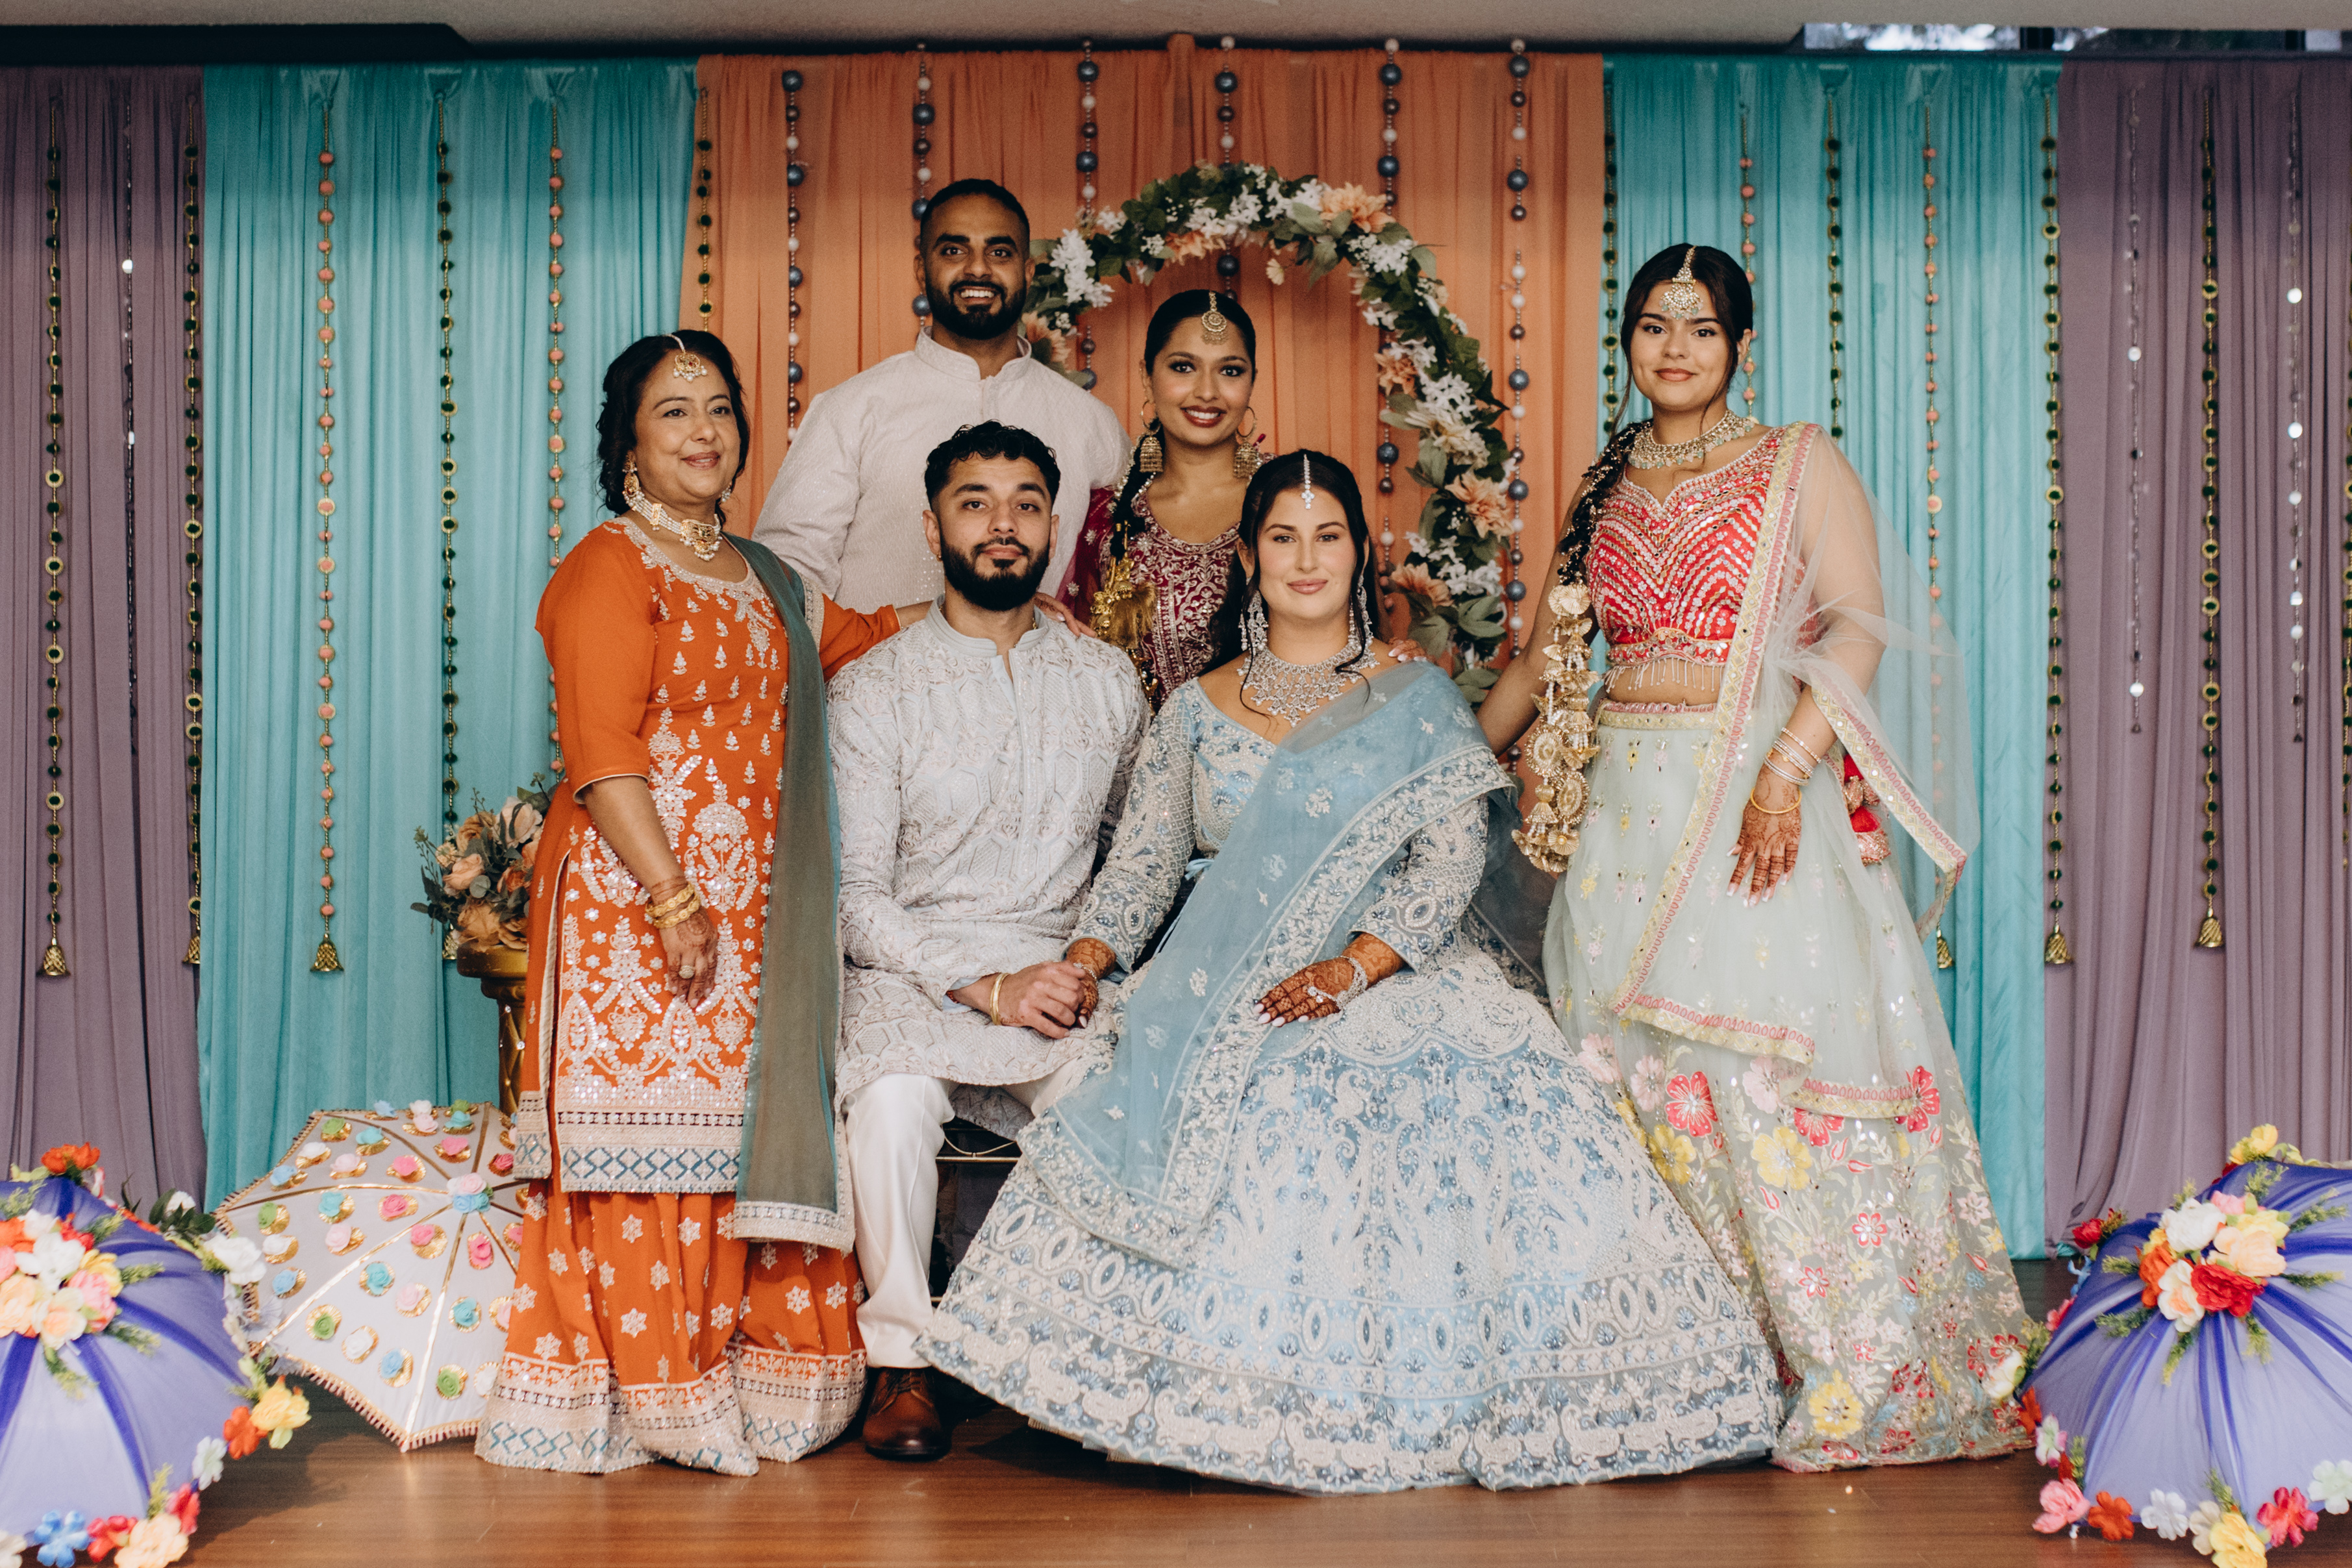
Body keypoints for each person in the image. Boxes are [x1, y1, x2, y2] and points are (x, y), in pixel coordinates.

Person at [920, 451, 1781, 1493]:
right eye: (1282, 537)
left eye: (1326, 535)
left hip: (1397, 967)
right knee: (1198, 1080)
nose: (1305, 558)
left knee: (1428, 1080)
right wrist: (1088, 962)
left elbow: (1451, 855)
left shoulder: (1411, 695)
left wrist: (1354, 966)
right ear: (1249, 557)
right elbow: (1141, 868)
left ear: (1357, 554)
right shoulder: (1193, 708)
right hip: (1229, 969)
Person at [1480, 245, 2031, 1470]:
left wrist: (1785, 773)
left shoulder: (1795, 461)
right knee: (1633, 1069)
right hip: (1622, 813)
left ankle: (1839, 1361)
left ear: (1740, 344)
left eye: (1700, 326)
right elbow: (1543, 661)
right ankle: (1695, 1365)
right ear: (1627, 341)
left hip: (1751, 798)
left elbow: (1856, 626)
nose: (1674, 347)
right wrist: (1446, 764)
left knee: (1755, 1058)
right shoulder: (1606, 478)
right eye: (1652, 324)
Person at [479, 332, 937, 1475]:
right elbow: (601, 751)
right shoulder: (608, 566)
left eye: (720, 408)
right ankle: (652, 1387)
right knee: (649, 1142)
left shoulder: (770, 576)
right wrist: (673, 894)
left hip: (760, 909)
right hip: (639, 901)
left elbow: (864, 640)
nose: (704, 431)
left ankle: (750, 1378)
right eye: (674, 410)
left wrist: (1003, 611)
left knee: (740, 1139)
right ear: (627, 443)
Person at [828, 421, 1149, 1462]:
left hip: (1063, 968)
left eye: (1024, 503)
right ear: (932, 529)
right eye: (975, 502)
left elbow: (1137, 858)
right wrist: (981, 981)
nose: (1001, 524)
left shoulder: (1107, 680)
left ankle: (1074, 1362)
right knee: (890, 1104)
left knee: (1115, 1106)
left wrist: (1084, 960)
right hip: (915, 970)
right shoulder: (874, 687)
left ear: (1053, 527)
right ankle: (902, 1361)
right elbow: (852, 898)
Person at [755, 178, 1129, 613]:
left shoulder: (1091, 422)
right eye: (954, 250)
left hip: (1042, 658)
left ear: (1028, 272)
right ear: (922, 269)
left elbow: (1126, 573)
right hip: (877, 657)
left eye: (999, 252)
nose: (978, 269)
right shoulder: (852, 409)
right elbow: (787, 580)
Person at [1057, 290, 1258, 705]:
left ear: (1252, 381)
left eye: (1230, 371)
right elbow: (1076, 671)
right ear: (1147, 376)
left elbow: (1356, 639)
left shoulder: (1294, 498)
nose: (1207, 392)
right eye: (1183, 367)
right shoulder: (1109, 519)